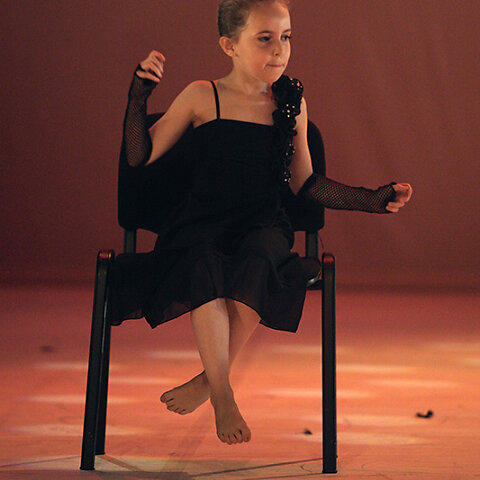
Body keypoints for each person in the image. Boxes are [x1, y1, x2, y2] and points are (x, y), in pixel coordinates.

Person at [112, 0, 413, 446]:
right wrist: (139, 94)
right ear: (229, 45)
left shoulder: (290, 103)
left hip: (263, 224)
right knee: (203, 265)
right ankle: (223, 393)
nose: (279, 50)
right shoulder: (202, 95)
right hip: (202, 223)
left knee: (258, 261)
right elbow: (140, 156)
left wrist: (371, 199)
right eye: (265, 39)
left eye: (286, 37)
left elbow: (305, 184)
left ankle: (210, 382)